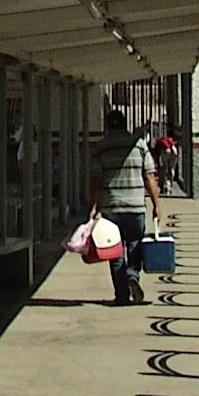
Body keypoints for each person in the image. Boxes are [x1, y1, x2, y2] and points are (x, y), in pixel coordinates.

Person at [88, 109, 163, 305]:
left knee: (115, 251)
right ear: (124, 125)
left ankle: (121, 295)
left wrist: (94, 206)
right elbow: (149, 176)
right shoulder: (139, 145)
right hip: (135, 205)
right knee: (135, 244)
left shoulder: (100, 148)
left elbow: (97, 180)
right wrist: (156, 204)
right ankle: (132, 275)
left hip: (110, 207)